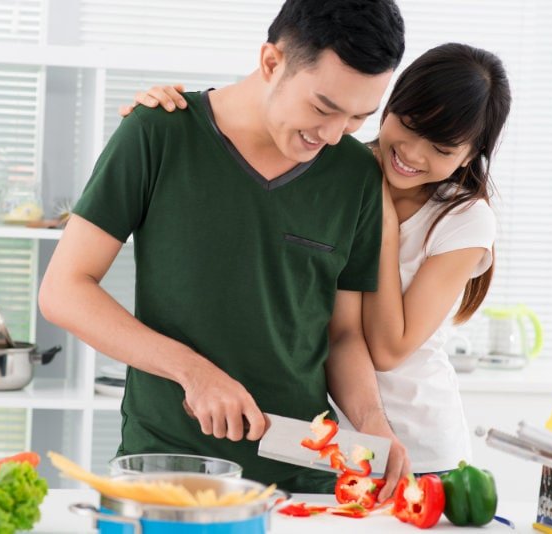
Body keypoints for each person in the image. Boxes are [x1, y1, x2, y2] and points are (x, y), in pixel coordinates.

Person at [39, 0, 409, 496]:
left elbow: (342, 334)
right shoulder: (157, 132)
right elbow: (64, 290)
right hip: (167, 466)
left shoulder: (356, 175)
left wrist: (372, 423)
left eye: (358, 117)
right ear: (272, 62)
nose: (332, 134)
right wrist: (193, 373)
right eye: (322, 108)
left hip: (301, 474)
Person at [124, 42, 512, 474]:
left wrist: (381, 225)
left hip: (418, 443)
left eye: (442, 150)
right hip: (329, 439)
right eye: (411, 126)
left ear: (469, 156)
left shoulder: (462, 219)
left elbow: (386, 348)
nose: (415, 154)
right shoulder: (333, 161)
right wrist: (167, 111)